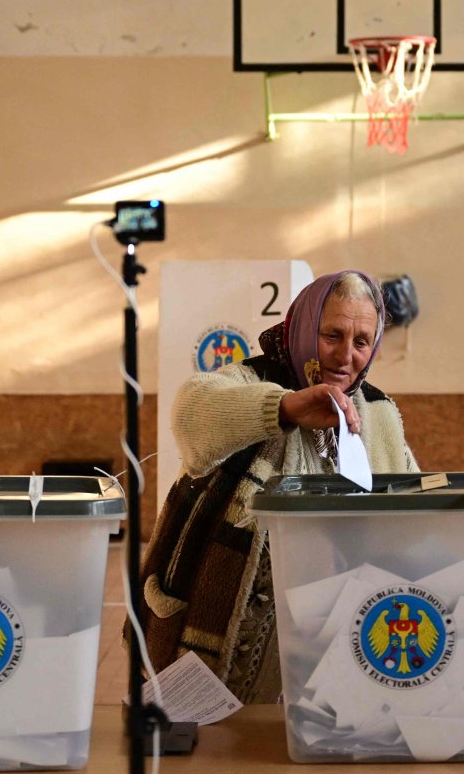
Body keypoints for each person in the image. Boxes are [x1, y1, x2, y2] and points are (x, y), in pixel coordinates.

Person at [131, 270, 419, 704]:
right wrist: (284, 407)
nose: (345, 356)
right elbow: (191, 415)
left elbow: (415, 504)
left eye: (362, 342)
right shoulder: (249, 381)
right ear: (303, 328)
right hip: (221, 638)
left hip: (335, 643)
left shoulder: (377, 413)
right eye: (332, 335)